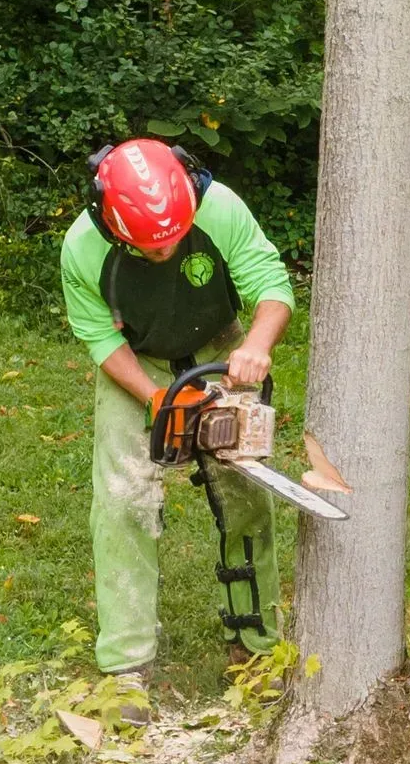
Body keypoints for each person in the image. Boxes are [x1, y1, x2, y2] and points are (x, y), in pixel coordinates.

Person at [60, 137, 296, 723]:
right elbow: (100, 339)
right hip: (138, 361)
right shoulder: (84, 246)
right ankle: (126, 668)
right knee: (123, 500)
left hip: (219, 346)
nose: (164, 248)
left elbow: (271, 284)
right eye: (151, 244)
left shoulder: (219, 208)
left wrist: (256, 346)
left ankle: (255, 646)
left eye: (172, 237)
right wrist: (157, 398)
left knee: (245, 493)